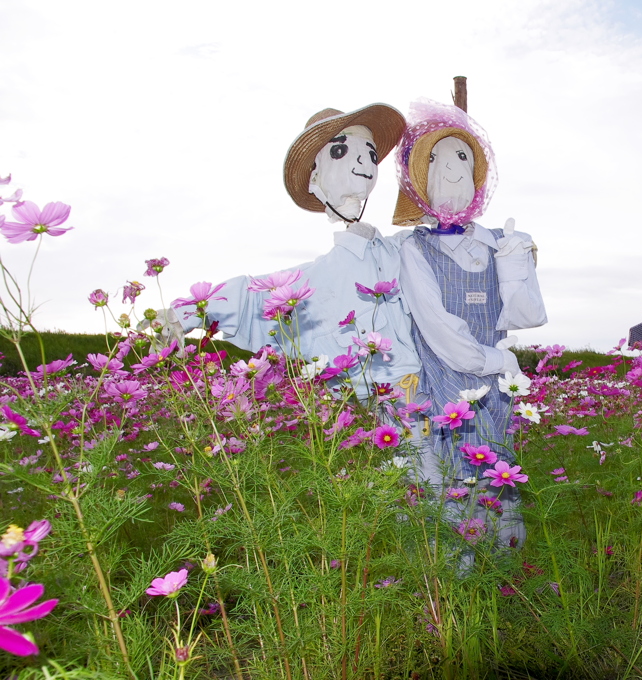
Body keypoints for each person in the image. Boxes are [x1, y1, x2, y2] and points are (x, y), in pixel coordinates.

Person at [159, 105, 420, 403]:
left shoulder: (400, 249)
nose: (364, 161)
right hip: (376, 419)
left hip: (432, 400)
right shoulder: (317, 278)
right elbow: (253, 294)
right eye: (340, 152)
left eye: (371, 154)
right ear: (315, 180)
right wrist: (186, 312)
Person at [394, 99, 547, 549]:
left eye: (463, 157)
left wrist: (518, 264)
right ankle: (460, 590)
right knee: (454, 484)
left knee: (498, 474)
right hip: (446, 388)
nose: (453, 169)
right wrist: (498, 358)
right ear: (420, 179)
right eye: (438, 160)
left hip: (496, 392)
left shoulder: (498, 240)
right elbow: (440, 332)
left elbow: (528, 314)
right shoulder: (414, 248)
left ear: (478, 172)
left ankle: (502, 576)